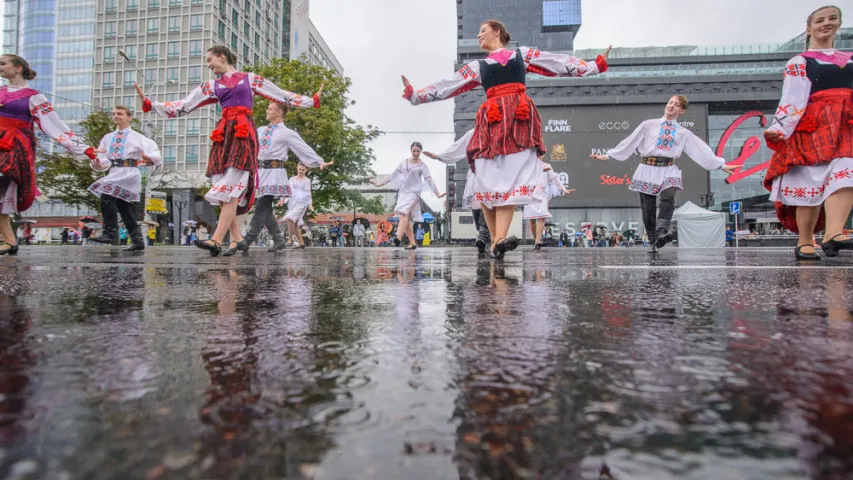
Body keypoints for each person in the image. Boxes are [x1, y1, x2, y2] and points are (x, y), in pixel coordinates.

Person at [403, 20, 610, 258]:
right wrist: (415, 96)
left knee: (510, 179)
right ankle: (496, 242)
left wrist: (595, 66)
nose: (478, 36)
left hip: (519, 119)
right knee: (489, 182)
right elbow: (448, 86)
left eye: (482, 31)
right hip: (491, 122)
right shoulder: (478, 66)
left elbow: (558, 62)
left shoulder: (522, 55)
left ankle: (498, 241)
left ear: (497, 31)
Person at [135, 45, 322, 257]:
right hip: (224, 134)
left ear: (222, 57)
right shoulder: (211, 86)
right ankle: (237, 239)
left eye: (209, 59)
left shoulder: (249, 79)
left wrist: (310, 101)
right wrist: (151, 105)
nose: (208, 64)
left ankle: (215, 240)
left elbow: (281, 95)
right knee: (221, 187)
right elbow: (183, 106)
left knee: (232, 185)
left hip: (243, 132)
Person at [592, 95, 737, 252]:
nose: (671, 106)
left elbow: (700, 151)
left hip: (668, 169)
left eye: (676, 104)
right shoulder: (649, 125)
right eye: (670, 102)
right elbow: (630, 141)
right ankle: (654, 241)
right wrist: (609, 155)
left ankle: (661, 232)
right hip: (647, 168)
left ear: (681, 110)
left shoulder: (683, 133)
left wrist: (720, 164)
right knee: (648, 207)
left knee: (668, 198)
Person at [763, 6, 852, 261]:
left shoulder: (851, 59)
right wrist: (780, 128)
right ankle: (805, 240)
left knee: (847, 169)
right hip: (812, 124)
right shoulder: (800, 62)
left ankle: (834, 231)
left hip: (846, 124)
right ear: (809, 27)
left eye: (832, 19)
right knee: (808, 183)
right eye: (820, 20)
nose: (826, 23)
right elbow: (792, 97)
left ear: (839, 24)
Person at [0, 54, 95, 255]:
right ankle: (9, 240)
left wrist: (81, 147)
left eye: (3, 63)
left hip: (13, 149)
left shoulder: (33, 96)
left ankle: (9, 240)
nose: (0, 67)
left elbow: (55, 126)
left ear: (18, 68)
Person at [244, 101, 332, 253]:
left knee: (262, 205)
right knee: (264, 207)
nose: (266, 110)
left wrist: (319, 161)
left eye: (269, 108)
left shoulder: (287, 133)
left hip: (275, 171)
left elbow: (303, 148)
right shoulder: (260, 130)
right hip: (261, 170)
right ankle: (278, 239)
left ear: (279, 112)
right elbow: (249, 145)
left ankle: (247, 240)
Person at [87, 106, 161, 251]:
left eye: (120, 114)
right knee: (123, 206)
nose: (116, 116)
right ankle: (138, 240)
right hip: (115, 171)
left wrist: (149, 158)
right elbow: (104, 160)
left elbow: (153, 151)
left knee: (106, 193)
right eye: (114, 114)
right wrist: (97, 163)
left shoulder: (137, 137)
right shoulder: (108, 138)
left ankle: (109, 232)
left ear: (129, 117)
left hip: (129, 172)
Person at [423, 129, 492, 254]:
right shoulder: (474, 132)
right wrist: (439, 156)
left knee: (486, 205)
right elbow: (459, 147)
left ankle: (484, 235)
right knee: (476, 209)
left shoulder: (499, 130)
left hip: (491, 175)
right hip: (475, 174)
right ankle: (484, 236)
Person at [370, 142, 445, 250]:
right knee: (406, 217)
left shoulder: (423, 166)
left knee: (404, 213)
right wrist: (378, 184)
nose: (416, 153)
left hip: (414, 193)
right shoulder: (403, 163)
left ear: (420, 152)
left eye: (418, 151)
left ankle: (398, 238)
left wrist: (437, 193)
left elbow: (429, 179)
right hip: (403, 193)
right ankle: (412, 243)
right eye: (414, 151)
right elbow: (393, 175)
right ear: (411, 151)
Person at [523, 161, 575, 250]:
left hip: (542, 195)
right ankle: (536, 240)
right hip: (530, 194)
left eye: (541, 153)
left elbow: (555, 179)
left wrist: (564, 189)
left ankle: (537, 242)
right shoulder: (527, 165)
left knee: (542, 217)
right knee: (532, 220)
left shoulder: (547, 166)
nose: (539, 155)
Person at [278, 162, 314, 249]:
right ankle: (301, 243)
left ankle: (290, 239)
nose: (301, 171)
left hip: (302, 204)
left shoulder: (307, 180)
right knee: (295, 224)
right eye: (300, 169)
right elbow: (287, 190)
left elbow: (308, 192)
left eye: (303, 170)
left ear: (306, 170)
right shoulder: (291, 179)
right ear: (297, 168)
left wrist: (310, 204)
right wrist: (282, 200)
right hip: (292, 203)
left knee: (289, 218)